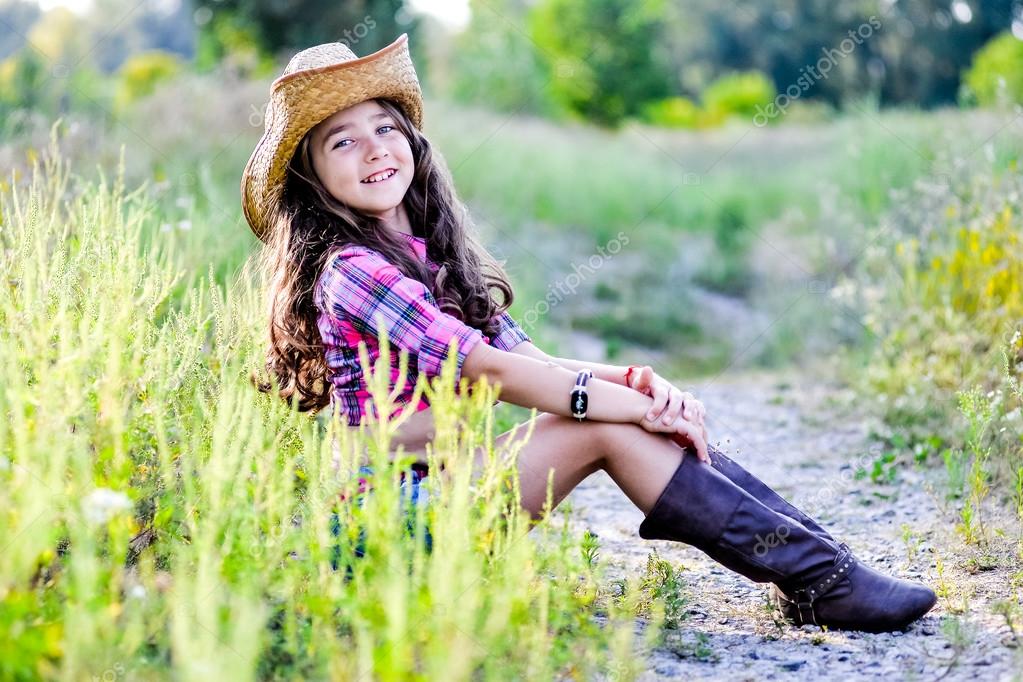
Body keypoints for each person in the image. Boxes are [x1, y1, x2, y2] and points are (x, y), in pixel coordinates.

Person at [240, 33, 936, 632]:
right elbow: (493, 373)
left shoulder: (424, 255)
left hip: (446, 490)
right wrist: (629, 408)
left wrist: (641, 384)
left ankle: (822, 571)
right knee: (602, 426)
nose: (372, 149)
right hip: (389, 527)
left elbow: (530, 357)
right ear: (311, 175)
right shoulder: (352, 270)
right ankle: (822, 581)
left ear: (413, 142)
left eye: (384, 128)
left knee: (621, 415)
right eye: (342, 140)